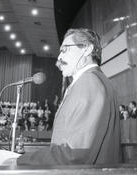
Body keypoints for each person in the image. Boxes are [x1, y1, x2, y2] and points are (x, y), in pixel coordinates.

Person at [15, 28, 120, 165]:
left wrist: (18, 160)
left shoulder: (89, 83)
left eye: (64, 49)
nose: (59, 58)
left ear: (87, 49)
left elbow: (74, 155)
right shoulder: (94, 80)